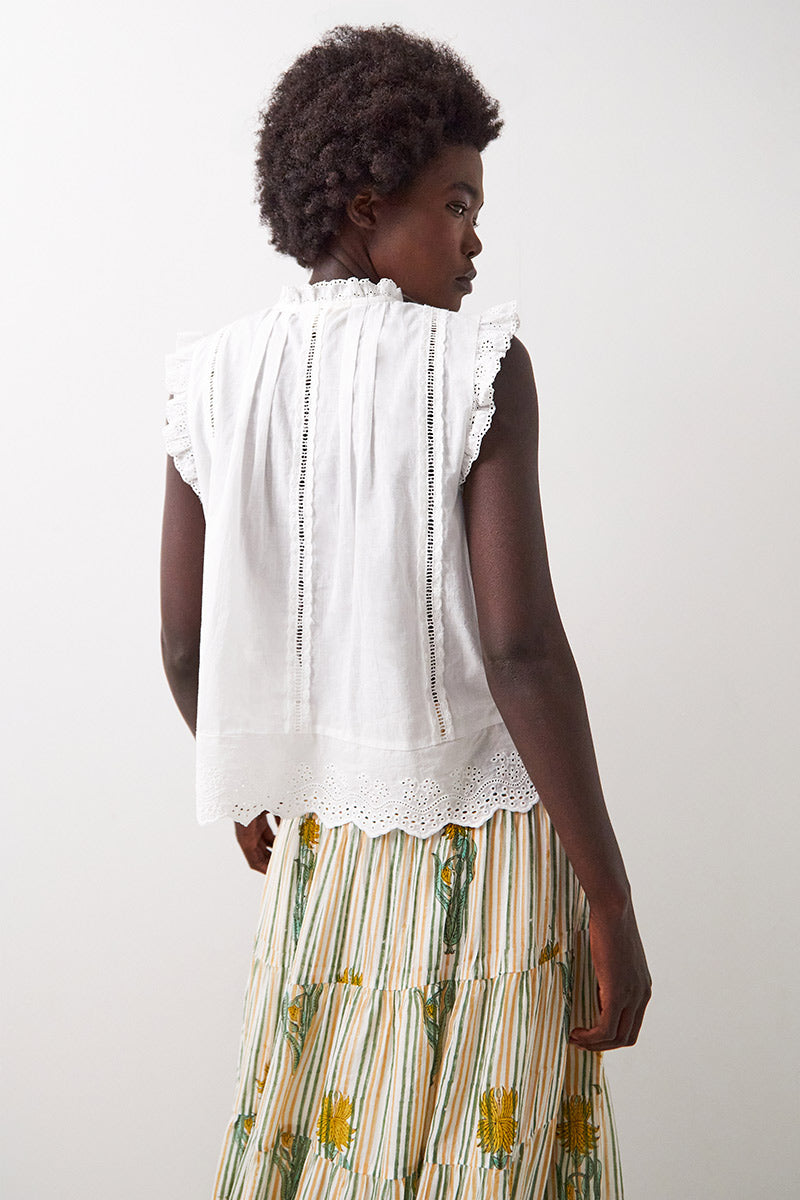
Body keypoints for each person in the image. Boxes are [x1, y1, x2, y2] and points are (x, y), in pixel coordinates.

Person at [160, 23, 651, 1200]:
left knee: (327, 1146)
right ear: (364, 204)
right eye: (456, 203)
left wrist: (249, 777)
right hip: (488, 848)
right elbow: (519, 649)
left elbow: (182, 642)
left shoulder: (208, 378)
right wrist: (610, 898)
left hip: (326, 847)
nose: (475, 239)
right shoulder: (475, 365)